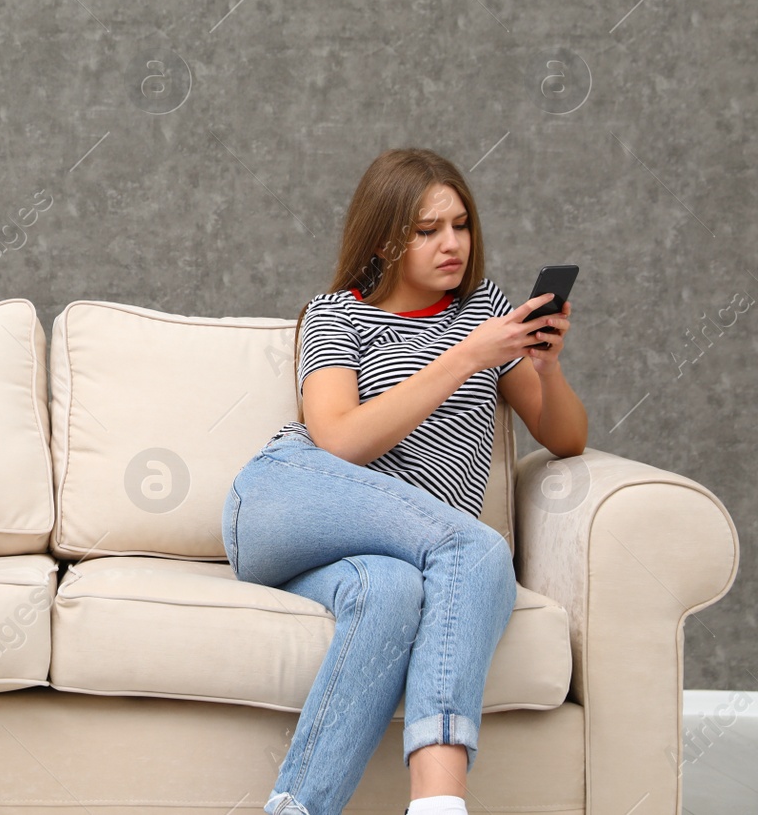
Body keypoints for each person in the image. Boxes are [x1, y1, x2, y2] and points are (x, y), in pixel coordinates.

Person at [222, 147, 588, 815]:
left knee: (392, 593)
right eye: (427, 230)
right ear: (387, 237)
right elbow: (340, 439)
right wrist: (466, 356)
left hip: (385, 557)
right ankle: (440, 804)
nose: (451, 243)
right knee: (476, 549)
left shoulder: (485, 311)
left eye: (460, 224)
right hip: (287, 498)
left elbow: (565, 438)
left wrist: (546, 366)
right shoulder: (337, 314)